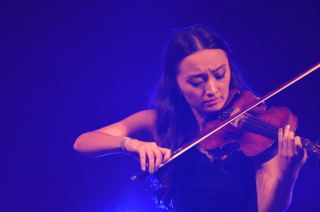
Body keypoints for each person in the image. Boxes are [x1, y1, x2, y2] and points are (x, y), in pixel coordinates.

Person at [74, 25, 307, 212]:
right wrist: (131, 145)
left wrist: (287, 177)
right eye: (197, 81)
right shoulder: (158, 123)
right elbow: (83, 142)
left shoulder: (256, 133)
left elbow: (268, 209)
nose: (213, 89)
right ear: (175, 83)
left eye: (220, 74)